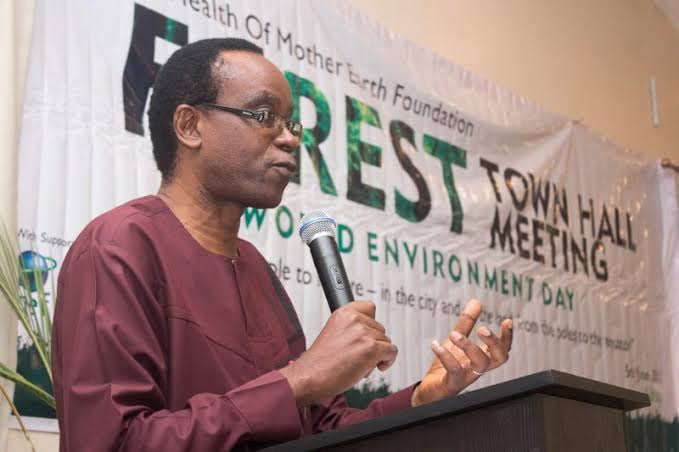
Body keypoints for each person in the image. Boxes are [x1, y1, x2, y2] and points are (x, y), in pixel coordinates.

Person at [52, 38, 513, 451]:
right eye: (264, 116)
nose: (290, 138)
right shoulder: (118, 246)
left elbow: (322, 428)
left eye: (291, 122)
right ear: (190, 126)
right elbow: (115, 442)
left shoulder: (255, 268)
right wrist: (296, 380)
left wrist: (420, 399)